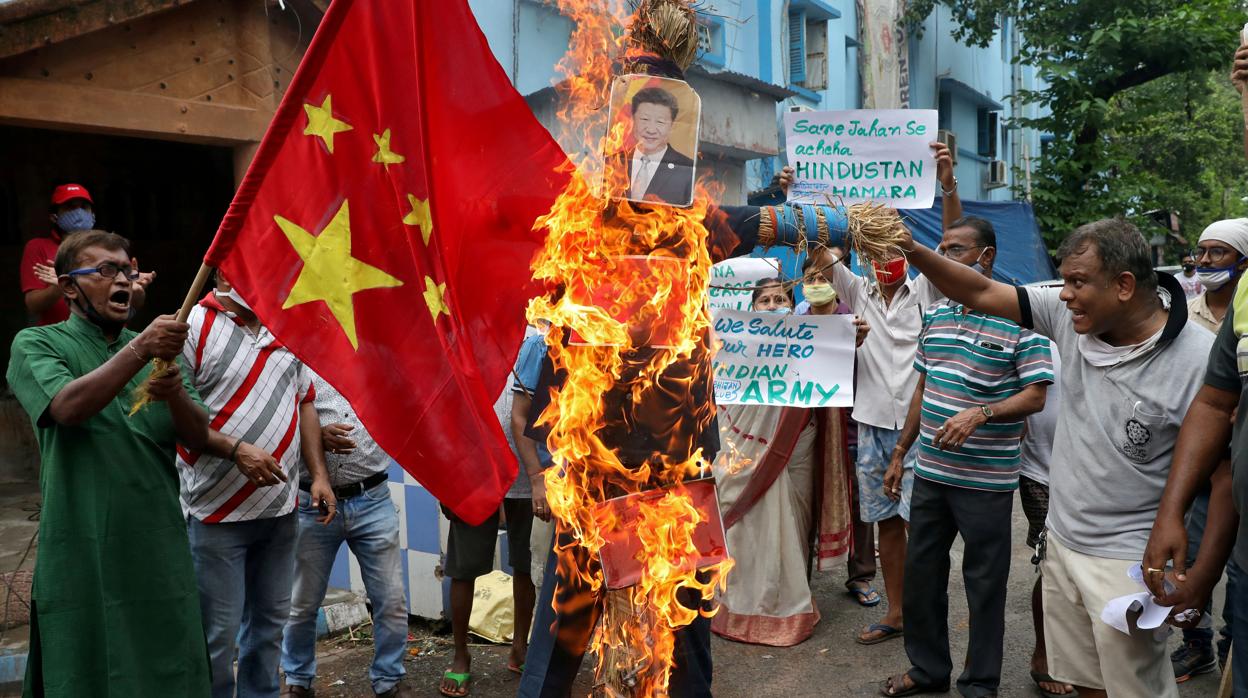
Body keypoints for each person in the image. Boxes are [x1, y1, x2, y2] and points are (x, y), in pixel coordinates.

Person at [894, 218, 1214, 698]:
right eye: (1063, 281)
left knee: (1132, 688)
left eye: (1077, 282)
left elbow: (1225, 478)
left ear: (1124, 285)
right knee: (1085, 682)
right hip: (1063, 545)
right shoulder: (1070, 316)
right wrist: (910, 248)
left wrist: (1202, 577)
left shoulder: (1200, 359)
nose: (1063, 294)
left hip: (1130, 560)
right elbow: (980, 291)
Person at [6, 230, 211, 695]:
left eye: (126, 270)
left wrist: (174, 389)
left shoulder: (158, 349)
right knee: (86, 669)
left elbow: (197, 436)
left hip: (158, 546)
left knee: (170, 665)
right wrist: (139, 350)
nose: (121, 279)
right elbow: (66, 408)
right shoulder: (36, 344)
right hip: (83, 546)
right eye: (104, 271)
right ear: (69, 287)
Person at [794, 141, 961, 646]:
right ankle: (896, 612)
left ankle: (926, 614)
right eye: (877, 251)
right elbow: (817, 251)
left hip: (924, 428)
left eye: (895, 251)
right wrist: (800, 197)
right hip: (870, 428)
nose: (886, 260)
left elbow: (953, 240)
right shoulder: (856, 290)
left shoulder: (929, 288)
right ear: (865, 255)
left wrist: (947, 181)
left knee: (924, 527)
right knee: (887, 523)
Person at [877, 218, 1053, 697]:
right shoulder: (936, 314)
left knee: (984, 586)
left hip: (986, 483)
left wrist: (983, 412)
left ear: (986, 257)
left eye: (955, 250)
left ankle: (979, 684)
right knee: (922, 577)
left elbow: (1036, 395)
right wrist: (899, 452)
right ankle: (927, 670)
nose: (944, 257)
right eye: (942, 248)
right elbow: (923, 386)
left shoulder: (1024, 317)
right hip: (932, 475)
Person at [178, 271, 336, 698]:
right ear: (223, 270)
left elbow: (305, 402)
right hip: (215, 514)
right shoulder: (191, 325)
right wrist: (236, 450)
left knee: (268, 629)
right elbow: (175, 415)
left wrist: (318, 475)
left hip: (280, 513)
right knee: (217, 638)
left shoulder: (287, 324)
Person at [709, 278, 864, 645]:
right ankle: (739, 604)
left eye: (781, 298)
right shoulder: (734, 345)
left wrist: (847, 339)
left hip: (798, 446)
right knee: (746, 525)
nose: (775, 304)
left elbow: (832, 363)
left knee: (791, 522)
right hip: (741, 447)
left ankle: (789, 606)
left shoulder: (805, 340)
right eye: (766, 300)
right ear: (753, 308)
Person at [1149, 218, 1248, 684]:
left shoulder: (1241, 307)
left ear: (1243, 260)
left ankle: (1231, 647)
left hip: (1236, 460)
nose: (1205, 261)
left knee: (1234, 563)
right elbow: (1200, 396)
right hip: (1204, 460)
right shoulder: (1185, 315)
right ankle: (1197, 645)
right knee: (1193, 556)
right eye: (1202, 252)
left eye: (1218, 253)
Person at [280, 372, 412, 697]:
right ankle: (298, 681)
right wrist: (316, 437)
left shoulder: (373, 359)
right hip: (311, 500)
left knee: (391, 600)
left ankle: (389, 680)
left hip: (372, 497)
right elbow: (276, 425)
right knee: (301, 604)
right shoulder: (298, 359)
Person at [797, 255, 879, 606]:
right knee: (803, 498)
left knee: (859, 500)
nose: (817, 283)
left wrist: (858, 338)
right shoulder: (792, 322)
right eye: (810, 277)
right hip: (803, 429)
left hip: (850, 424)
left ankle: (860, 575)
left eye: (824, 276)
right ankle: (798, 580)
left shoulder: (857, 320)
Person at [440, 405, 537, 698]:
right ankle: (460, 655)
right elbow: (447, 416)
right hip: (475, 476)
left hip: (530, 477)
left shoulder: (535, 357)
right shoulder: (470, 356)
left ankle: (520, 649)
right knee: (463, 568)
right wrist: (447, 484)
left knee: (527, 565)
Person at [1014, 340, 1074, 697]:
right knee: (1051, 566)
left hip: (1097, 476)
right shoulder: (1037, 340)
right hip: (1040, 472)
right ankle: (1044, 656)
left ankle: (1086, 656)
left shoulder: (1118, 340)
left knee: (1087, 569)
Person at [511, 328, 557, 595]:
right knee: (550, 586)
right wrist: (537, 479)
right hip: (554, 485)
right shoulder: (540, 345)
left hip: (602, 492)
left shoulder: (610, 336)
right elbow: (520, 417)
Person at [613, 85, 695, 205]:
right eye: (645, 119)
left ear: (672, 126)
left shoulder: (687, 170)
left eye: (660, 122)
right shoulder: (612, 162)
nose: (651, 130)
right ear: (632, 120)